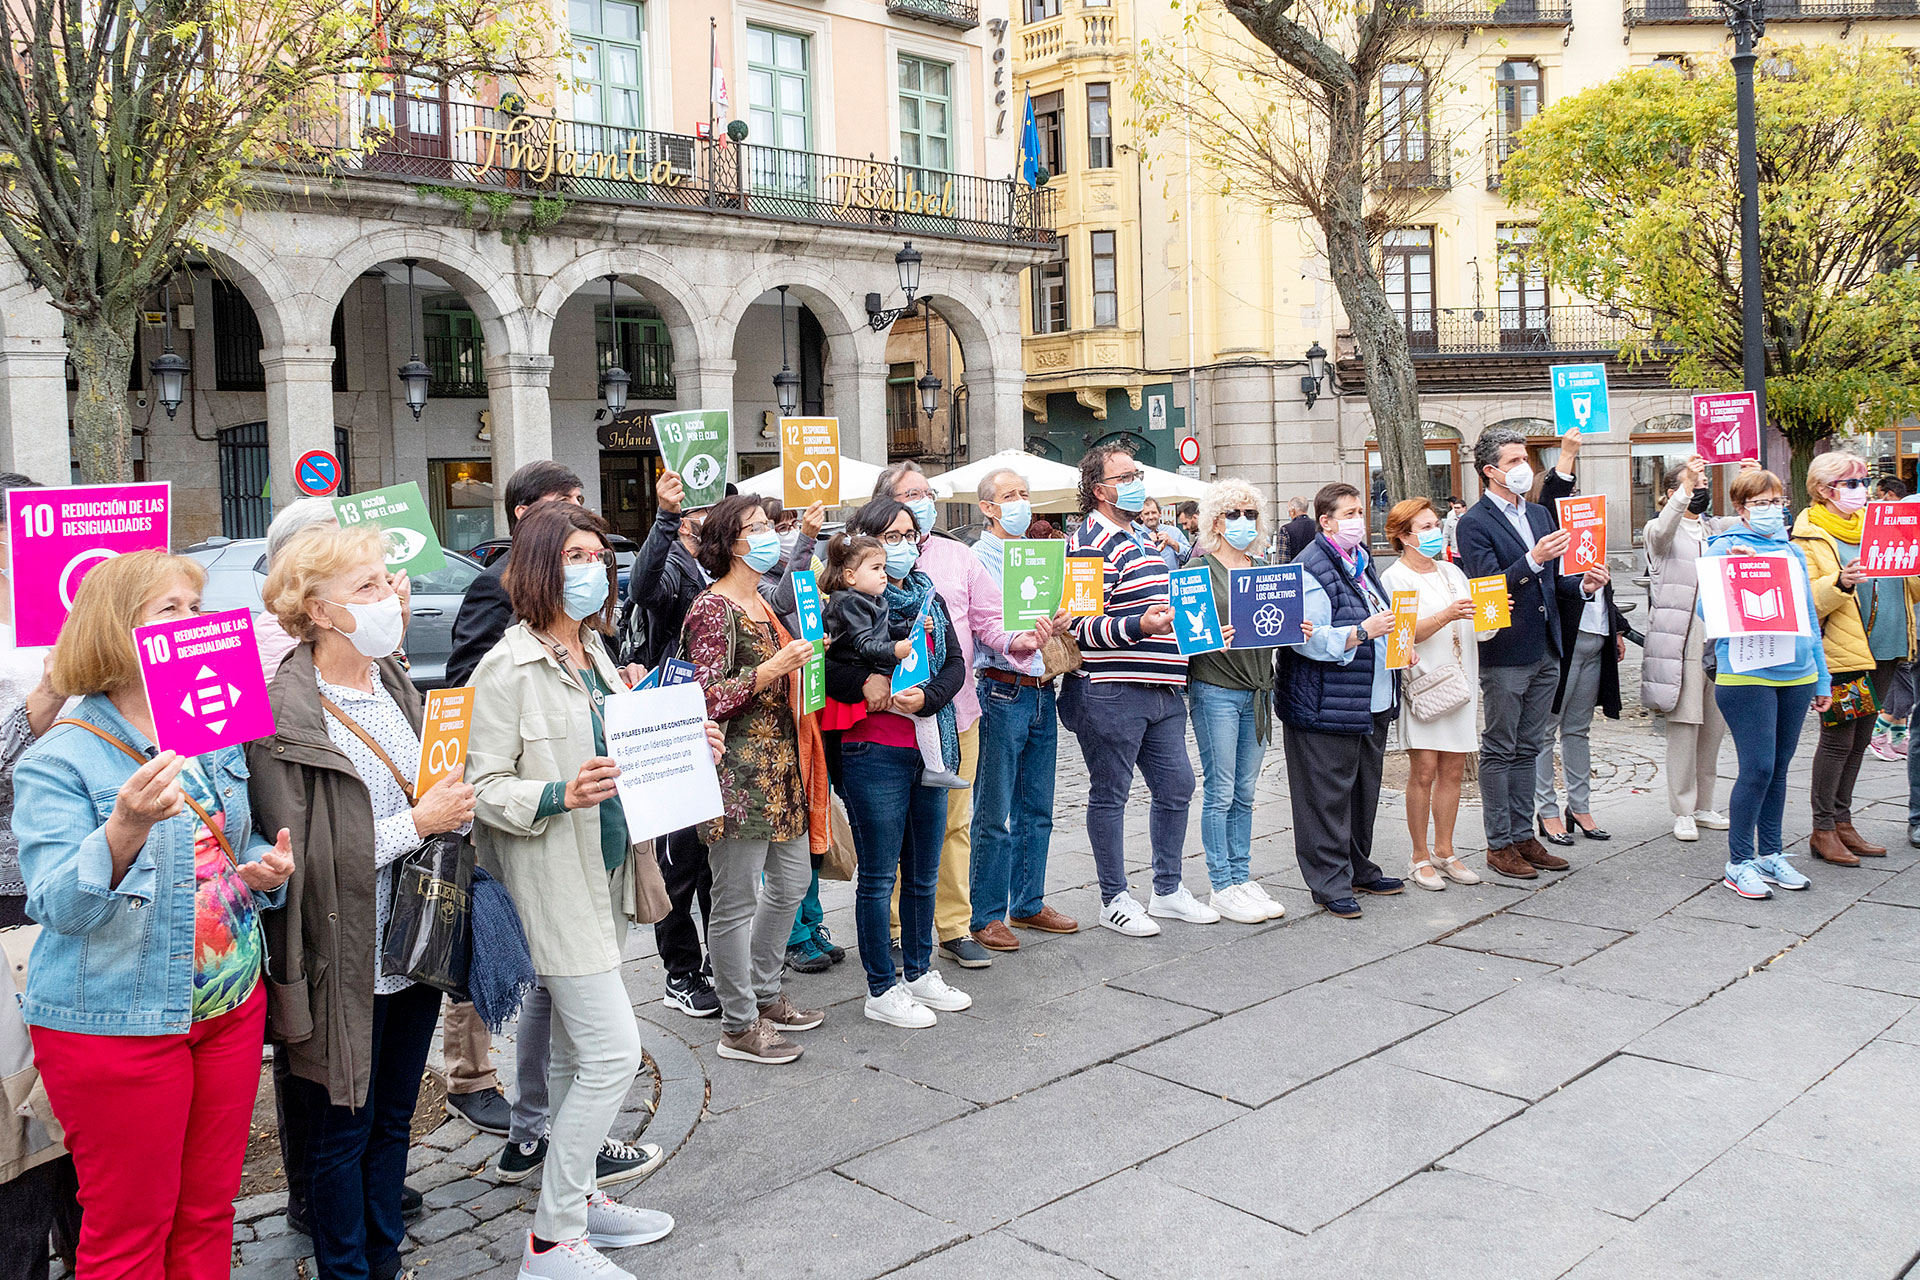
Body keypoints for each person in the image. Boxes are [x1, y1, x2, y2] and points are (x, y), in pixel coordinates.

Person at [15, 550, 294, 1280]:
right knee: (130, 1232)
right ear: (115, 632)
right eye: (171, 609)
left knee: (208, 1212)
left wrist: (261, 865)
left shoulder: (212, 726)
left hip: (230, 1006)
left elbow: (225, 845)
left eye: (196, 610)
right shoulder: (61, 758)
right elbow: (55, 903)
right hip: (119, 1022)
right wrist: (123, 828)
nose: (194, 624)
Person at [249, 523, 475, 1280]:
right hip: (341, 956)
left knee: (390, 1124)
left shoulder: (393, 683)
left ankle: (386, 1258)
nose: (392, 595)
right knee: (341, 1134)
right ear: (318, 610)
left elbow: (424, 789)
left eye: (387, 579)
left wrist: (450, 805)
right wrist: (419, 821)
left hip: (411, 947)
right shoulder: (284, 713)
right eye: (368, 587)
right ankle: (347, 1269)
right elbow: (301, 857)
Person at [467, 503, 681, 1279]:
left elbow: (618, 748)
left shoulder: (592, 649)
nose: (592, 568)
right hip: (551, 883)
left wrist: (683, 743)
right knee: (613, 1054)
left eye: (599, 554)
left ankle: (582, 1195)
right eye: (575, 555)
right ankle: (554, 1240)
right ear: (538, 568)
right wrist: (557, 793)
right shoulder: (505, 668)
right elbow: (481, 787)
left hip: (607, 871)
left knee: (569, 1055)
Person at [440, 460, 586, 1135]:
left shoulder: (570, 597)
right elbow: (466, 684)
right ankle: (471, 1073)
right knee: (488, 927)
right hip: (506, 787)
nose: (577, 512)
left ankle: (543, 1096)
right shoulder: (495, 589)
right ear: (526, 513)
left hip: (566, 793)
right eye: (565, 504)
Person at [873, 462, 1046, 971]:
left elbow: (989, 621)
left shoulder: (957, 557)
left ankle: (952, 924)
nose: (923, 502)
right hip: (889, 720)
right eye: (911, 494)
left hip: (957, 713)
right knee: (893, 827)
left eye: (928, 493)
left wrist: (1022, 641)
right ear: (887, 503)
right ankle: (895, 927)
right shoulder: (861, 559)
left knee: (955, 825)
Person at [680, 495, 830, 1066]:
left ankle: (765, 993)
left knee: (791, 884)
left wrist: (800, 661)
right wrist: (772, 669)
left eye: (771, 526)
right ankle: (738, 1023)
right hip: (737, 774)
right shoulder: (712, 609)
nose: (769, 535)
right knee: (735, 901)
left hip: (782, 767)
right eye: (758, 528)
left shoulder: (764, 599)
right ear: (729, 543)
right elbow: (704, 697)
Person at [824, 498, 975, 1027]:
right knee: (879, 875)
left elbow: (955, 664)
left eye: (910, 534)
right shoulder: (844, 604)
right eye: (891, 537)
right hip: (873, 747)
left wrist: (927, 698)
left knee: (924, 871)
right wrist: (871, 684)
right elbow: (827, 668)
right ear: (863, 545)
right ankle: (881, 987)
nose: (904, 545)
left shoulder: (926, 596)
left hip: (929, 746)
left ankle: (919, 970)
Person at [1064, 445, 1216, 935]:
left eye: (1138, 473)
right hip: (1113, 688)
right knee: (1111, 793)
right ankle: (1114, 898)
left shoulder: (1147, 539)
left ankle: (1168, 890)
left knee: (1178, 786)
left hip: (1165, 686)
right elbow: (1078, 626)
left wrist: (1201, 632)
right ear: (1099, 490)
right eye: (1126, 476)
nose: (1137, 482)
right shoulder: (1088, 542)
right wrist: (1139, 627)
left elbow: (1162, 606)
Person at [1455, 425, 1610, 881]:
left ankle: (1525, 837)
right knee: (1501, 747)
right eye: (1514, 462)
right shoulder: (1474, 523)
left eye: (1526, 459)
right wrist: (1534, 560)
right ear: (1490, 471)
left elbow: (1553, 583)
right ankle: (1498, 843)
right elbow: (1488, 588)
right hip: (1505, 649)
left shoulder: (1541, 516)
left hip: (1546, 645)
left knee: (1532, 744)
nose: (1525, 468)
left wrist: (1582, 584)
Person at [0, 471, 80, 1280]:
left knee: (80, 1113)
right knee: (20, 1107)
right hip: (10, 903)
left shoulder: (81, 626)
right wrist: (39, 706)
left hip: (91, 888)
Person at [1275, 483, 1404, 918]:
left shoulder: (1360, 562)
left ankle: (1356, 866)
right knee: (1325, 796)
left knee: (1363, 790)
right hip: (1324, 700)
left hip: (1369, 696)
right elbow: (1306, 639)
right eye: (1348, 513)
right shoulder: (1310, 566)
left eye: (1359, 511)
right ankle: (1328, 881)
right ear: (1325, 522)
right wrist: (1363, 632)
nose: (1357, 520)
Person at [966, 468, 1079, 952]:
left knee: (1038, 806)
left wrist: (1058, 619)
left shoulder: (1039, 553)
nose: (1020, 502)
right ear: (988, 508)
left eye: (1024, 494)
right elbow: (977, 626)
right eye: (1009, 495)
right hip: (1001, 689)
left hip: (1041, 687)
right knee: (993, 811)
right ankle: (986, 913)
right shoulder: (979, 558)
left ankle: (1029, 901)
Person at [1707, 469, 1830, 898]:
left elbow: (1809, 617)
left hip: (1797, 671)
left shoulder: (1792, 553)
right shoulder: (1723, 548)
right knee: (1756, 768)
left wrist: (1822, 678)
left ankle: (1770, 853)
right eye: (1760, 503)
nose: (1771, 510)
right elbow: (1709, 612)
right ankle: (1738, 861)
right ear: (1740, 509)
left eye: (1776, 502)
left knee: (1778, 770)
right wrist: (1736, 574)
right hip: (1746, 671)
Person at [1794, 450, 1920, 866]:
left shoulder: (1878, 525)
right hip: (1844, 652)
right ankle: (1823, 827)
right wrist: (1840, 581)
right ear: (1824, 489)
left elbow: (1907, 587)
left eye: (1863, 481)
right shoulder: (1809, 534)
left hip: (1886, 647)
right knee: (1838, 740)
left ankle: (1844, 822)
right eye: (1851, 483)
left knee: (1862, 740)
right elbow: (1806, 601)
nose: (1861, 490)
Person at [1185, 479, 1287, 922]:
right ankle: (1221, 883)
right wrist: (1211, 638)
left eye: (1250, 514)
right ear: (1215, 521)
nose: (1243, 522)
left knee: (1245, 792)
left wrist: (1293, 628)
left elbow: (1277, 624)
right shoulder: (1200, 570)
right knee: (1221, 790)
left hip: (1258, 691)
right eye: (1233, 514)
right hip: (1217, 690)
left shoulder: (1264, 567)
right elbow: (1187, 637)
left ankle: (1242, 877)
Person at [1533, 431, 1630, 846]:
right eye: (1571, 492)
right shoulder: (1547, 525)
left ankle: (1581, 806)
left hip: (1597, 637)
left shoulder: (1590, 530)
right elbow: (1554, 495)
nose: (1577, 500)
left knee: (1579, 729)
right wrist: (1568, 454)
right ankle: (1547, 810)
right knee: (1545, 730)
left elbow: (1601, 583)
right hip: (1566, 640)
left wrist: (1618, 626)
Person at [1381, 499, 1483, 891]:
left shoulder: (1453, 572)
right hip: (1425, 684)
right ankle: (1419, 855)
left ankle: (1446, 849)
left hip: (1461, 680)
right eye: (1425, 527)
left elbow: (1473, 625)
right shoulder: (1396, 577)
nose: (1435, 531)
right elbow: (1401, 636)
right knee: (1423, 771)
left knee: (1453, 770)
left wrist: (1491, 616)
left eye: (1436, 523)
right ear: (1404, 536)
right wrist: (1445, 616)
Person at [821, 533, 966, 789]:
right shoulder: (850, 603)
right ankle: (936, 769)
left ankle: (936, 768)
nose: (883, 575)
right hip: (864, 708)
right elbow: (866, 644)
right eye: (876, 568)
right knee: (923, 717)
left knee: (923, 715)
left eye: (883, 568)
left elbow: (885, 628)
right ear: (851, 576)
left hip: (881, 682)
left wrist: (911, 626)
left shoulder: (869, 599)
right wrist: (894, 650)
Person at [1643, 457, 1731, 841]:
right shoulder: (1659, 530)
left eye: (1702, 483)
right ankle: (1682, 808)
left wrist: (1748, 475)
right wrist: (1683, 494)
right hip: (1682, 637)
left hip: (1720, 635)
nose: (1700, 489)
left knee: (1714, 725)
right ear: (1671, 491)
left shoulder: (1716, 529)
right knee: (1684, 725)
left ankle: (1705, 803)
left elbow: (1753, 523)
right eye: (1691, 483)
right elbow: (1662, 532)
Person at [1137, 497, 1191, 569]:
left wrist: (1173, 543)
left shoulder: (1174, 532)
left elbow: (1190, 556)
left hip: (1171, 578)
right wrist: (1146, 542)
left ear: (1160, 513)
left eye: (1154, 512)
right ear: (1141, 516)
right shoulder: (1136, 534)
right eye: (1146, 514)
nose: (1151, 517)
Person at [1279, 497, 1316, 563]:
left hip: (1295, 570)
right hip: (1315, 569)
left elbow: (1283, 560)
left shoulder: (1286, 529)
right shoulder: (1318, 526)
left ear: (1292, 510)